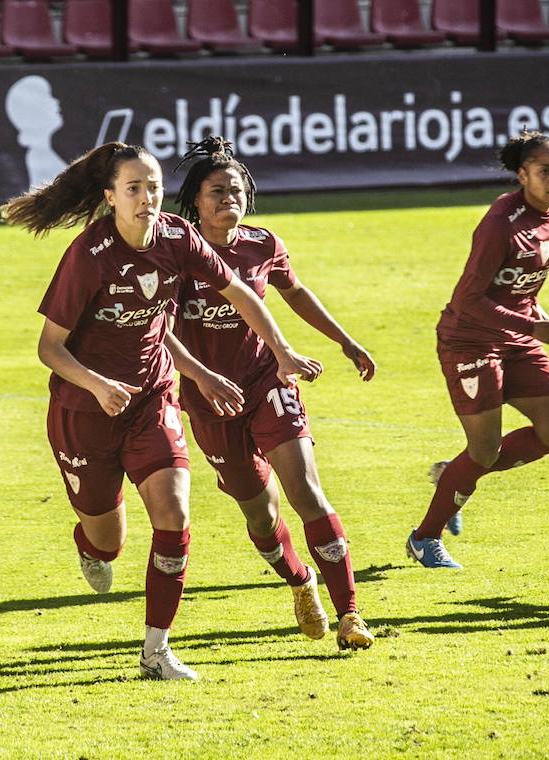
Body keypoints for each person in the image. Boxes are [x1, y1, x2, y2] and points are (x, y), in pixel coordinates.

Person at [1, 141, 322, 680]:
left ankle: (156, 651)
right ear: (111, 198)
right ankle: (90, 544)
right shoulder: (89, 254)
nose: (147, 197)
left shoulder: (178, 236)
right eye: (134, 189)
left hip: (151, 400)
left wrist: (282, 350)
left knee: (173, 516)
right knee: (109, 542)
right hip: (84, 410)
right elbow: (49, 349)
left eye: (153, 187)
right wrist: (99, 384)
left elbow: (239, 289)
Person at [166, 136, 374, 650]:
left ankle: (351, 614)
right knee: (259, 513)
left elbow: (295, 291)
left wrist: (344, 340)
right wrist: (198, 377)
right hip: (209, 398)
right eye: (216, 192)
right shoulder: (175, 252)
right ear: (195, 199)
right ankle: (302, 583)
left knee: (305, 491)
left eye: (235, 190)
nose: (227, 200)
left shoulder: (262, 244)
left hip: (266, 382)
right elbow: (159, 327)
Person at [407, 131, 549, 569]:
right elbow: (468, 300)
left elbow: (521, 283)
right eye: (544, 171)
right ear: (523, 176)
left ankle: (454, 475)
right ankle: (425, 539)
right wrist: (532, 325)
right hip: (470, 339)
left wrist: (534, 315)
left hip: (518, 336)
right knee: (483, 450)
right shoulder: (501, 221)